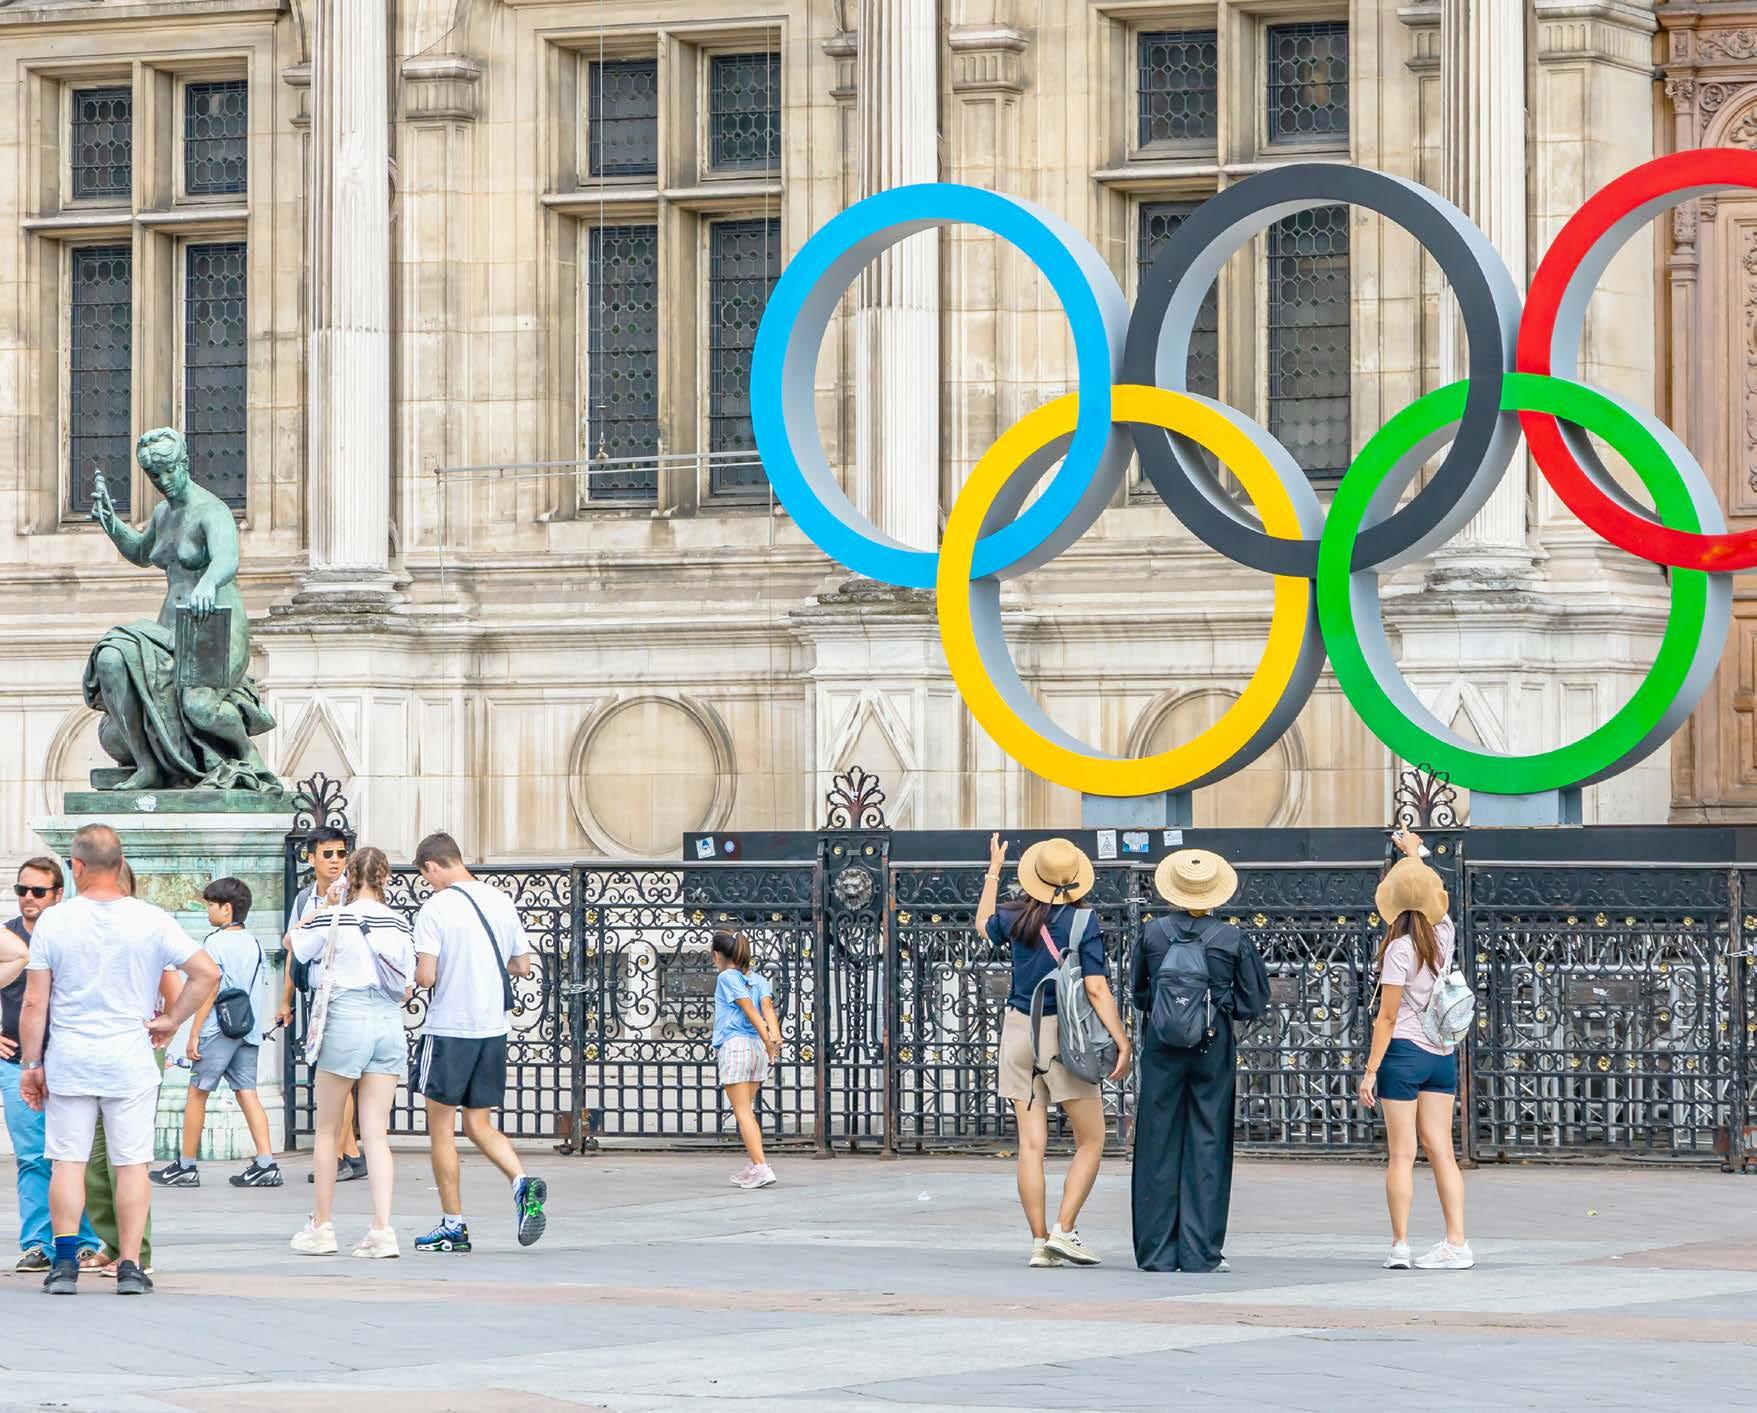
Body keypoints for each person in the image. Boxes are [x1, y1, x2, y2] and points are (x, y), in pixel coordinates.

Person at [18, 825, 220, 1295]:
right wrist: (172, 1019)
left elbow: (35, 1001)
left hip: (71, 1055)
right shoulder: (151, 919)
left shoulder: (55, 921)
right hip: (129, 1055)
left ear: (77, 866)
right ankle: (130, 1264)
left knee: (68, 1161)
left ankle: (64, 1263)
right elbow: (206, 972)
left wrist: (31, 1065)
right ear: (120, 862)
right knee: (131, 1163)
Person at [84, 426, 277, 792]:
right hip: (171, 627)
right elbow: (142, 553)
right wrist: (113, 525)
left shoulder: (211, 511)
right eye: (155, 475)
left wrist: (208, 583)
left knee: (200, 708)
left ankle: (244, 752)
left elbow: (227, 558)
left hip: (213, 624)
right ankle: (148, 767)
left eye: (170, 470)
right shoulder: (163, 514)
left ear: (185, 463)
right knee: (111, 660)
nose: (164, 480)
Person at [975, 834, 1131, 1269]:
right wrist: (1121, 1039)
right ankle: (1065, 1229)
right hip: (1063, 1036)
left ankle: (1040, 1243)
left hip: (1018, 1031)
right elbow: (1096, 988)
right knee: (1091, 1139)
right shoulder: (1083, 920)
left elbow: (981, 923)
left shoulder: (1013, 915)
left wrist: (993, 870)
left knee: (1030, 1145)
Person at [1130, 848, 1268, 1274]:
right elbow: (1252, 1002)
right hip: (1213, 1043)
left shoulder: (1152, 934)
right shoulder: (1231, 938)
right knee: (1209, 1140)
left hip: (1162, 1043)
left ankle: (1156, 1251)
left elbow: (1139, 994)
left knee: (1156, 1140)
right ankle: (1201, 1251)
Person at [409, 832, 547, 1252]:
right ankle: (521, 1182)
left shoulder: (436, 908)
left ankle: (453, 1225)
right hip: (492, 1028)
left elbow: (426, 976)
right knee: (478, 1124)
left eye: (426, 876)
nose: (429, 883)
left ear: (432, 866)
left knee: (441, 1130)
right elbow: (522, 965)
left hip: (450, 1028)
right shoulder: (501, 900)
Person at [286, 846, 412, 1258]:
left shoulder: (334, 916)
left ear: (349, 878)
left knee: (327, 1128)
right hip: (388, 1020)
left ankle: (322, 1225)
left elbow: (294, 944)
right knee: (376, 1132)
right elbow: (408, 983)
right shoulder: (399, 922)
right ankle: (382, 1229)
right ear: (385, 878)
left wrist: (325, 904)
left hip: (347, 1015)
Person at [1359, 830, 1473, 1271]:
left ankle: (1400, 1245)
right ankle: (1457, 1242)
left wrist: (1371, 1070)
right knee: (1442, 1150)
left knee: (1402, 1154)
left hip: (1403, 1054)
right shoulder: (1445, 935)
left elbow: (1386, 1018)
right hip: (1441, 1053)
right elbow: (1431, 891)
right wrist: (1416, 853)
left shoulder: (1399, 950)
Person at [0, 858, 102, 1272]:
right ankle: (38, 1244)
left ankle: (85, 1240)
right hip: (16, 1062)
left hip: (69, 1059)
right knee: (31, 1156)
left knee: (77, 1155)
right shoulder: (7, 937)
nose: (28, 898)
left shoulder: (72, 935)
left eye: (38, 891)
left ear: (58, 894)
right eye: (22, 890)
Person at [149, 878, 280, 1189]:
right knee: (247, 1092)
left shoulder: (214, 943)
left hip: (218, 1029)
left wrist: (194, 1033)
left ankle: (186, 1165)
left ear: (227, 908)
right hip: (247, 1028)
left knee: (197, 1093)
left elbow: (209, 989)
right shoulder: (254, 943)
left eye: (211, 904)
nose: (207, 910)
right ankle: (266, 1163)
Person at [277, 826, 366, 1184]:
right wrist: (285, 1000)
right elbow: (293, 949)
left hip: (345, 992)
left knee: (336, 1077)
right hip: (318, 996)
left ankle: (339, 1156)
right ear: (310, 858)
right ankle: (352, 1155)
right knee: (330, 1075)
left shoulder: (354, 895)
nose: (335, 861)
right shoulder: (304, 899)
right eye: (327, 854)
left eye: (341, 854)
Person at [710, 930, 783, 1190]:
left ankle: (761, 1166)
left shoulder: (726, 977)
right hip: (756, 1050)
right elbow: (767, 1009)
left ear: (717, 955)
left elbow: (748, 1008)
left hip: (736, 1045)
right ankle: (755, 1164)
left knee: (742, 1112)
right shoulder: (758, 979)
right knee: (747, 1111)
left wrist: (768, 1039)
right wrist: (774, 1038)